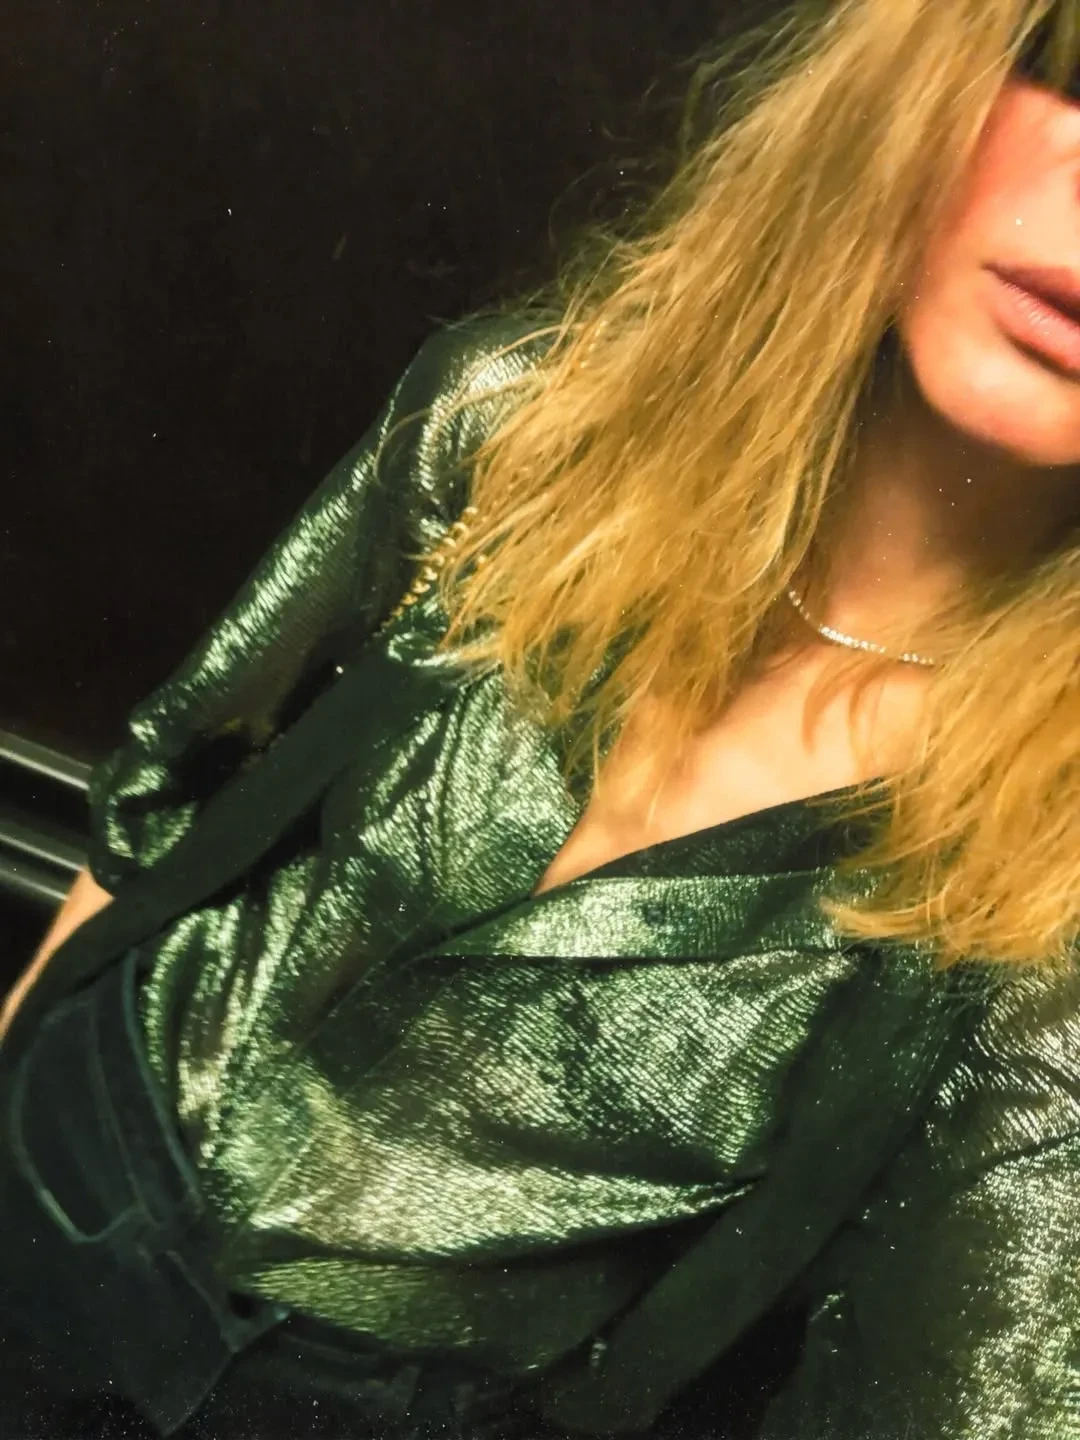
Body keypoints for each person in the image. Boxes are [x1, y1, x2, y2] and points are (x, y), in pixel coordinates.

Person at [3, 0, 1080, 1435]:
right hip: (69, 1136)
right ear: (905, 88)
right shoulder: (517, 424)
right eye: (1069, 73)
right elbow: (169, 806)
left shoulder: (1055, 877)